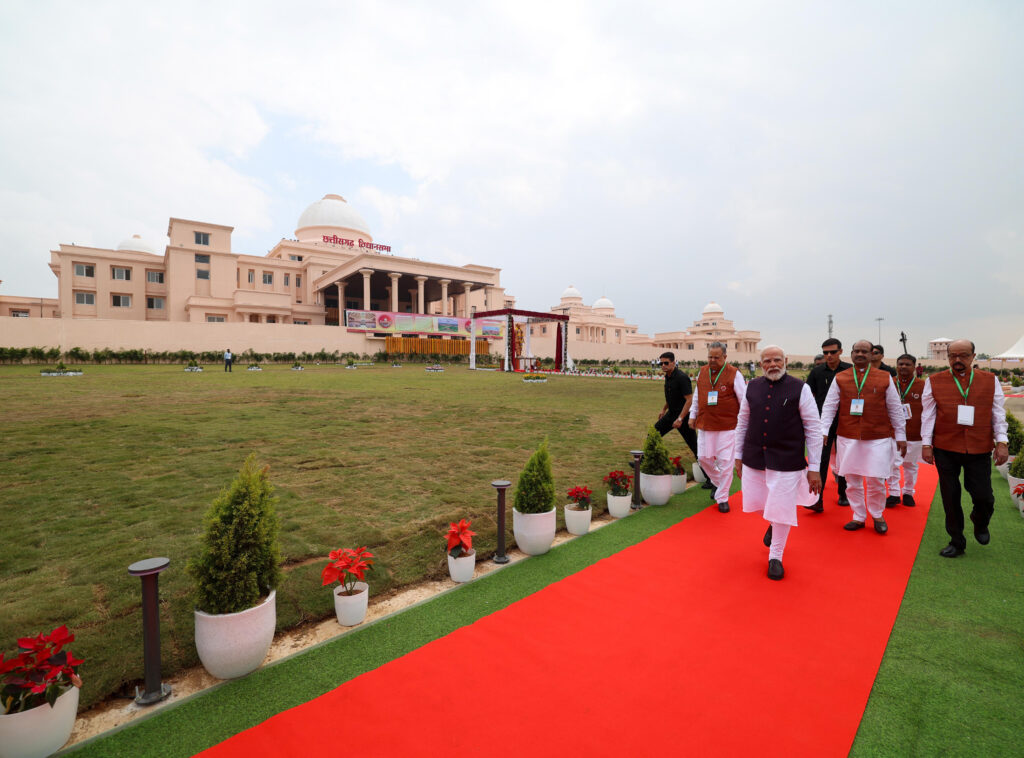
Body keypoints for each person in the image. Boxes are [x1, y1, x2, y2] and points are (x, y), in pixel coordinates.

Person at [733, 345, 822, 580]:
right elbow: (742, 422)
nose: (772, 365)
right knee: (758, 503)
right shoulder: (752, 387)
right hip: (755, 457)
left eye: (777, 360)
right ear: (760, 364)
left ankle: (776, 556)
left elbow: (814, 428)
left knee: (782, 508)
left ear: (786, 361)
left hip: (787, 459)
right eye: (767, 361)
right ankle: (773, 523)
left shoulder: (801, 388)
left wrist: (814, 468)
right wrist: (738, 455)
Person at [921, 339, 1009, 558]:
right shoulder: (934, 381)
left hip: (979, 447)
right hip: (945, 447)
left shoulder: (990, 380)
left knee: (984, 496)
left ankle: (980, 520)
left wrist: (1002, 442)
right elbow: (928, 415)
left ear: (973, 356)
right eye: (953, 356)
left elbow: (998, 413)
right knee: (950, 496)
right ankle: (957, 541)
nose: (957, 360)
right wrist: (926, 444)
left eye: (963, 355)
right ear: (948, 357)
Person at [820, 340, 907, 534]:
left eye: (864, 351)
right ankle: (858, 516)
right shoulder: (841, 377)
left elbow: (895, 408)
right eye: (856, 351)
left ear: (871, 355)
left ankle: (877, 514)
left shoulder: (884, 377)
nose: (860, 354)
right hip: (848, 436)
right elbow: (829, 405)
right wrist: (823, 430)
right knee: (852, 480)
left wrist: (901, 434)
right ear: (851, 354)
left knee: (876, 479)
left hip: (878, 437)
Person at [688, 341, 746, 512]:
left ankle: (723, 498)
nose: (712, 360)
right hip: (705, 424)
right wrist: (692, 415)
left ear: (725, 357)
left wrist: (744, 424)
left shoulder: (734, 373)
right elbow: (697, 396)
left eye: (716, 357)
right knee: (703, 458)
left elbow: (744, 400)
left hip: (728, 426)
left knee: (725, 462)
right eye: (710, 357)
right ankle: (719, 483)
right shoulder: (703, 371)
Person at [804, 337, 852, 511]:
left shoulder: (850, 370)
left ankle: (844, 494)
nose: (829, 355)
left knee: (844, 459)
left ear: (841, 351)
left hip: (846, 422)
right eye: (825, 353)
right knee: (821, 460)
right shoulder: (817, 372)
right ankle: (818, 499)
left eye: (833, 352)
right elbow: (807, 396)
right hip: (822, 424)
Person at [885, 354, 926, 508]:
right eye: (900, 364)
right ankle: (894, 493)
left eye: (907, 364)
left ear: (914, 367)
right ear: (896, 366)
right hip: (892, 432)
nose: (903, 367)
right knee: (892, 464)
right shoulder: (889, 383)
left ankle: (908, 493)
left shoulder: (923, 385)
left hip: (914, 431)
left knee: (910, 465)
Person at [654, 352, 703, 475]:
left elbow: (689, 400)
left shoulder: (682, 377)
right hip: (671, 414)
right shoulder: (668, 376)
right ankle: (645, 460)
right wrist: (663, 409)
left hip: (684, 417)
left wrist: (680, 419)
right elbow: (672, 396)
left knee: (695, 446)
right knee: (654, 433)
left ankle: (710, 478)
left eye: (666, 363)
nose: (663, 366)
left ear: (673, 362)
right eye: (661, 363)